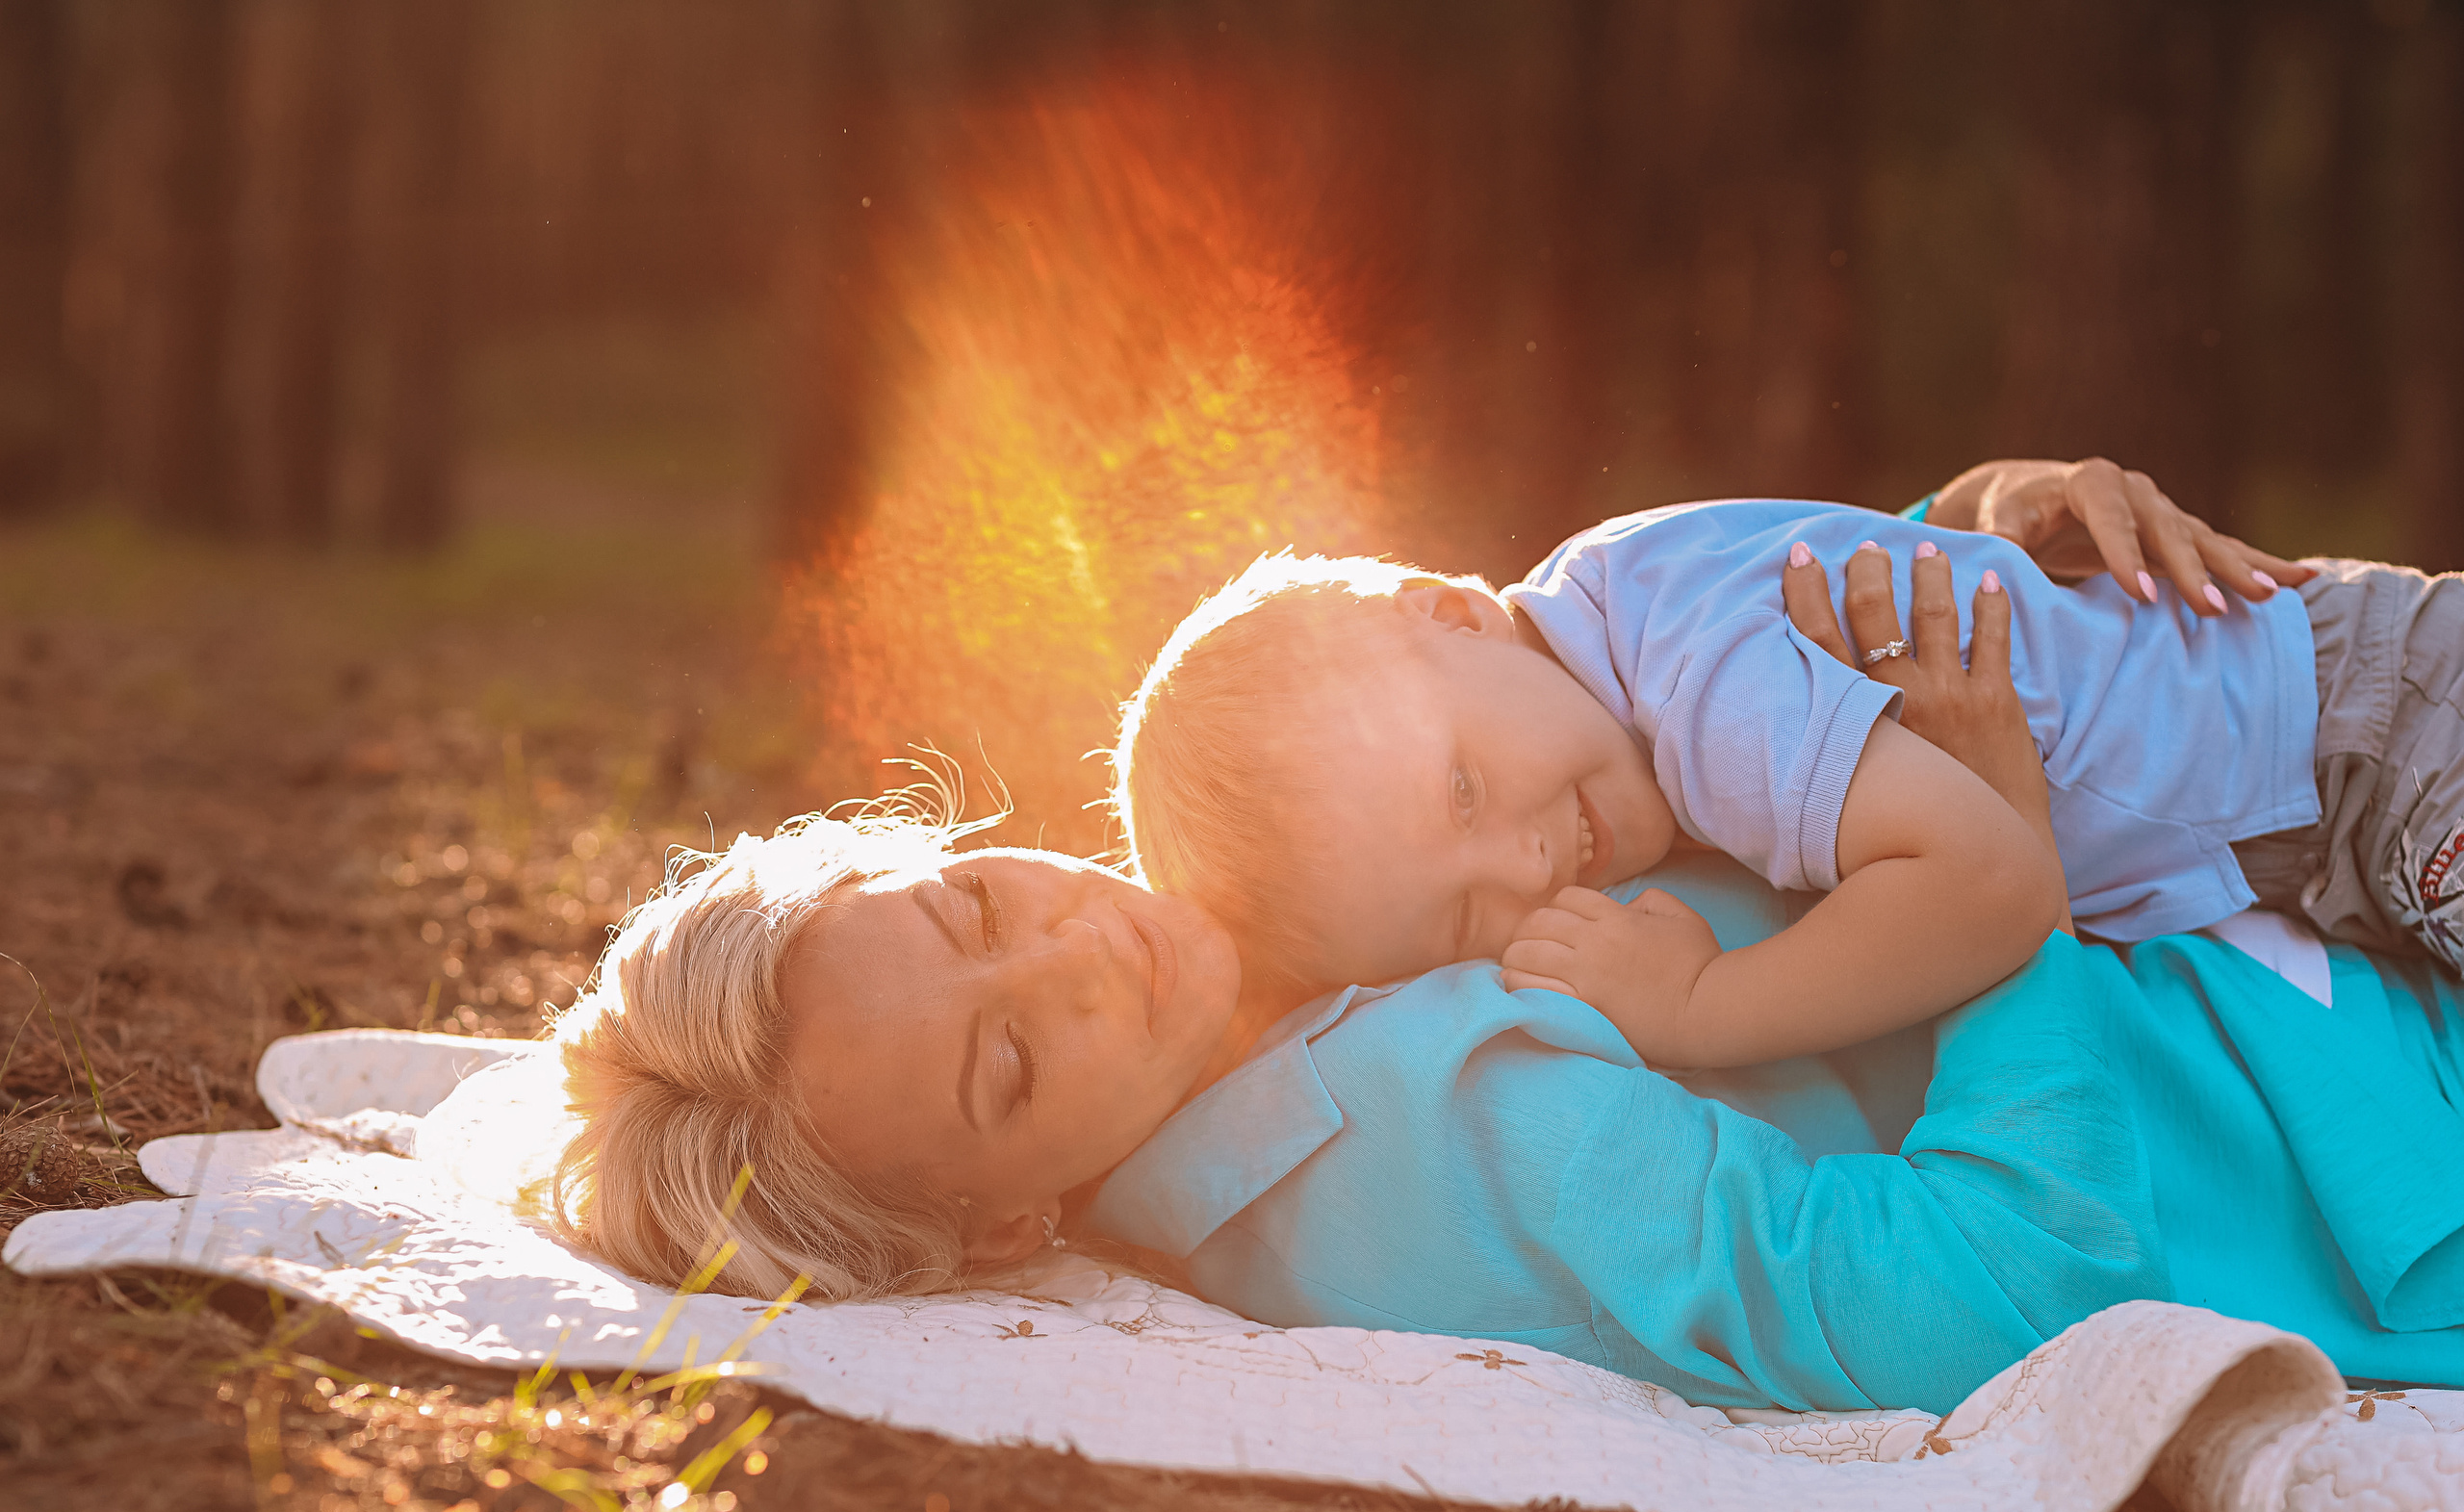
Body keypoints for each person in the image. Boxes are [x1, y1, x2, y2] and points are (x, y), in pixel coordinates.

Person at [547, 524, 2464, 1415]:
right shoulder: (1413, 1162)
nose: (1079, 957)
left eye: (979, 908)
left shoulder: (1277, 857)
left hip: (2305, 873)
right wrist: (2009, 875)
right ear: (999, 1225)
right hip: (2373, 1126)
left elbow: (1676, 722)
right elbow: (1990, 1293)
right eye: (1009, 1068)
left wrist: (1990, 544)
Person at [1110, 461, 2464, 1080]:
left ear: (1451, 616)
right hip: (2337, 752)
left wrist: (1701, 1005)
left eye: (1459, 791)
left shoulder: (1698, 681)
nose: (1522, 864)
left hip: (2375, 746)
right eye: (1463, 917)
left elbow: (1990, 880)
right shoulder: (1615, 603)